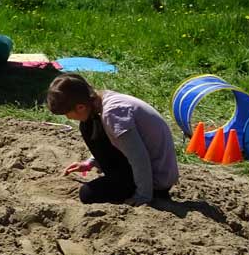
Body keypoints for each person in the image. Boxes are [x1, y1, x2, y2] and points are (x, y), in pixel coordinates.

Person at [48, 73, 178, 205]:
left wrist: (143, 196)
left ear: (80, 107)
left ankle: (130, 185)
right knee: (88, 124)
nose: (68, 118)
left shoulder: (113, 114)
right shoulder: (102, 100)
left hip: (155, 180)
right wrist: (90, 163)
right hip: (149, 169)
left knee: (87, 194)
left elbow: (139, 158)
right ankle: (120, 179)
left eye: (66, 113)